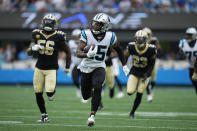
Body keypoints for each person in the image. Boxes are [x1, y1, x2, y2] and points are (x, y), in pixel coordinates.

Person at [76, 13, 128, 127]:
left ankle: (92, 116)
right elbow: (78, 52)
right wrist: (87, 54)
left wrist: (124, 65)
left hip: (99, 65)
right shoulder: (86, 34)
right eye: (94, 23)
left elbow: (119, 50)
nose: (94, 25)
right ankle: (93, 96)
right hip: (86, 67)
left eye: (97, 24)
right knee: (85, 95)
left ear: (104, 26)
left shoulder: (110, 36)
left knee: (98, 86)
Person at [27, 14, 71, 122]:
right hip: (39, 68)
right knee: (37, 92)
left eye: (50, 23)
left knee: (49, 92)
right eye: (46, 22)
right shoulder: (36, 33)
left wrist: (67, 66)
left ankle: (52, 92)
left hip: (51, 69)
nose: (47, 24)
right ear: (43, 22)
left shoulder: (59, 36)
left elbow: (68, 51)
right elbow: (28, 52)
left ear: (54, 24)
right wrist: (33, 48)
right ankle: (44, 115)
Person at [124, 30, 157, 118]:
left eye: (141, 39)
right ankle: (134, 87)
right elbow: (125, 56)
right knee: (129, 92)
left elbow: (152, 63)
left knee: (140, 93)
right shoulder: (131, 46)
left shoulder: (151, 49)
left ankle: (132, 112)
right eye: (138, 39)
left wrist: (148, 73)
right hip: (134, 72)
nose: (139, 41)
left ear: (146, 40)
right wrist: (125, 66)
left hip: (144, 74)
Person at [68, 29, 88, 103]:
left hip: (83, 65)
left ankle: (84, 96)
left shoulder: (84, 43)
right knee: (75, 80)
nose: (76, 38)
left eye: (77, 36)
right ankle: (78, 89)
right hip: (75, 65)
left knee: (84, 82)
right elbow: (69, 53)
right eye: (75, 36)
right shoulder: (70, 43)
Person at [143, 27, 161, 102]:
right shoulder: (140, 40)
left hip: (153, 61)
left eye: (148, 34)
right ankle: (149, 94)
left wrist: (154, 54)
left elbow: (160, 51)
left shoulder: (154, 41)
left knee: (153, 79)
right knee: (146, 77)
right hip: (145, 62)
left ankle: (151, 90)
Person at [179, 27, 197, 94]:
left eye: (189, 35)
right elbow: (180, 53)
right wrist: (181, 53)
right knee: (195, 86)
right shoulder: (183, 43)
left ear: (194, 35)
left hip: (195, 67)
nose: (187, 36)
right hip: (191, 68)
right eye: (187, 35)